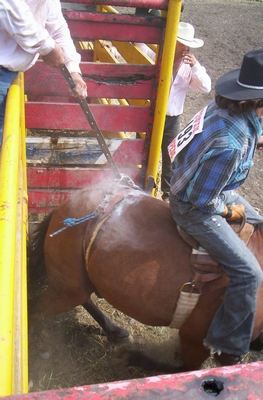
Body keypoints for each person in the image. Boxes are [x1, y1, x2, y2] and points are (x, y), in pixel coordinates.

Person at [169, 48, 263, 366]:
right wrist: (229, 212)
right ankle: (230, 349)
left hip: (193, 181)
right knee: (248, 273)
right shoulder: (231, 146)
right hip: (194, 205)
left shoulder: (225, 108)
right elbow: (203, 201)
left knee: (260, 222)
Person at [136, 22, 211, 202]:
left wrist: (196, 66)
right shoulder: (157, 54)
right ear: (172, 41)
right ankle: (140, 187)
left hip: (172, 117)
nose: (185, 47)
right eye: (181, 42)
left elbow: (206, 87)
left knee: (171, 155)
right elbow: (139, 48)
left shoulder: (189, 66)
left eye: (187, 44)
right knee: (144, 149)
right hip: (152, 114)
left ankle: (167, 195)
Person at [0, 0, 87, 145]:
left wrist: (73, 70)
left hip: (8, 72)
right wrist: (47, 47)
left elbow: (58, 29)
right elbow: (9, 7)